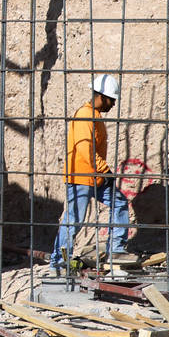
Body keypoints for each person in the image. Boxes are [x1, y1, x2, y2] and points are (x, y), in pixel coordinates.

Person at [50, 73, 132, 275]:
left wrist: (103, 173)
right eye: (111, 100)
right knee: (74, 220)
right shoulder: (85, 115)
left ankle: (117, 249)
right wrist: (105, 169)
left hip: (96, 175)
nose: (113, 104)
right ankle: (58, 263)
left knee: (119, 203)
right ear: (102, 97)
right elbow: (86, 150)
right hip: (81, 176)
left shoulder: (95, 116)